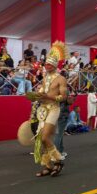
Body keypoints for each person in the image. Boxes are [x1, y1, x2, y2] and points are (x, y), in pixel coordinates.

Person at [32, 42, 68, 177]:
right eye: (45, 64)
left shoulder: (61, 79)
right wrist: (36, 96)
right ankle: (47, 166)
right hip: (43, 109)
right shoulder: (45, 78)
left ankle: (58, 160)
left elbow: (63, 97)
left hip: (54, 109)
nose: (46, 66)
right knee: (41, 138)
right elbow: (42, 92)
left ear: (54, 65)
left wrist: (49, 97)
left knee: (46, 136)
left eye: (49, 64)